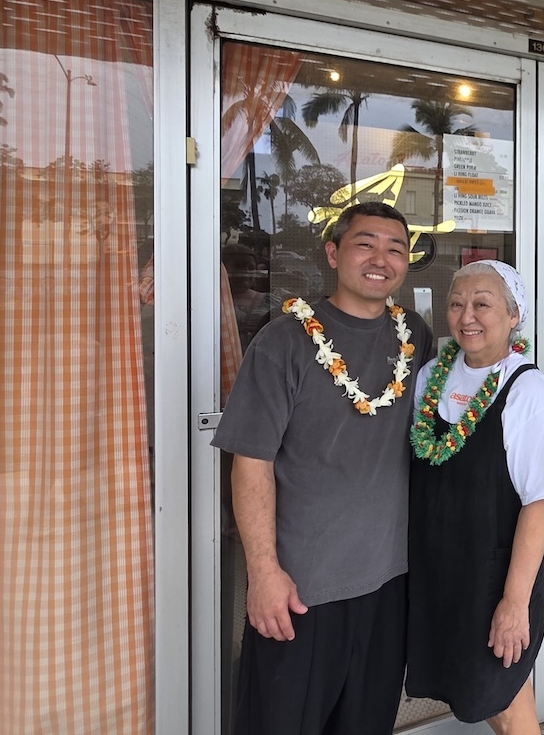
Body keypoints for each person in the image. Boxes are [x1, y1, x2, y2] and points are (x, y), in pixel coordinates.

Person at [211, 202, 431, 735]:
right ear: (333, 253)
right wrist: (262, 574)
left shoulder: (415, 337)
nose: (381, 258)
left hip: (389, 583)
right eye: (365, 243)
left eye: (396, 248)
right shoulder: (283, 341)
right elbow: (251, 463)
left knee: (366, 724)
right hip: (303, 591)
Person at [407, 260, 544, 733]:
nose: (466, 316)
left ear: (514, 315)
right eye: (457, 304)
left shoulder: (526, 391)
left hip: (493, 576)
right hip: (440, 571)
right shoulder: (433, 375)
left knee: (507, 697)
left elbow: (539, 506)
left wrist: (515, 603)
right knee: (490, 693)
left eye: (483, 304)